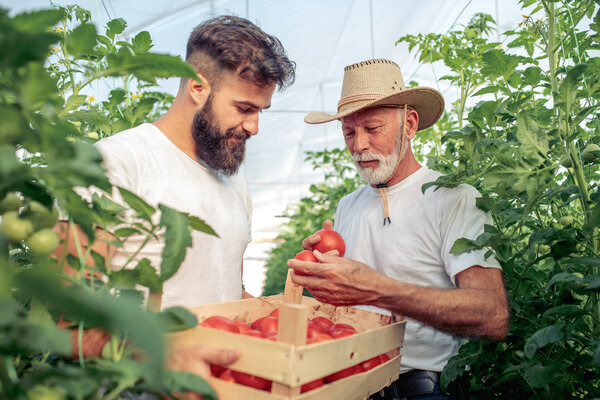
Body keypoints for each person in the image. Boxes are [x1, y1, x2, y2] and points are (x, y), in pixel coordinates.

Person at [54, 14, 295, 388]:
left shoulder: (233, 179)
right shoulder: (114, 162)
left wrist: (282, 309)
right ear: (198, 87)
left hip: (220, 387)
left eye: (260, 111)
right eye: (244, 108)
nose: (254, 127)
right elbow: (65, 325)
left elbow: (226, 290)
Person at [288, 59, 508, 400]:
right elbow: (352, 303)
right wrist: (324, 275)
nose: (358, 145)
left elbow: (492, 316)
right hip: (353, 386)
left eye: (372, 129)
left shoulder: (454, 199)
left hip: (423, 391)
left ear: (409, 124)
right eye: (348, 131)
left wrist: (378, 289)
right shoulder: (349, 205)